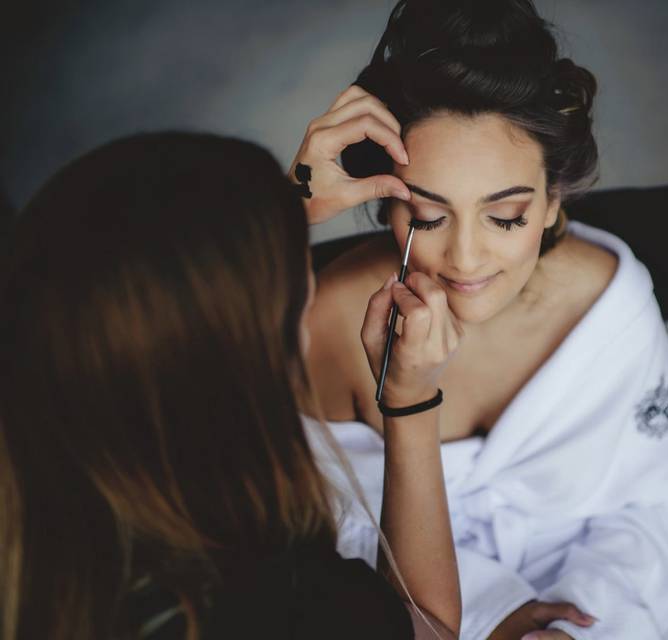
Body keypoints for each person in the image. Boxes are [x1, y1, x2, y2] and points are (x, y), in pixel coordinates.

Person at [296, 1, 668, 638]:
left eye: (506, 216)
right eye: (429, 216)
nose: (464, 259)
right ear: (386, 205)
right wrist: (495, 613)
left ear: (552, 202)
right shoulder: (326, 323)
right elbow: (316, 540)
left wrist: (577, 622)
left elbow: (657, 500)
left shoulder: (607, 303)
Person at [0, 126, 462, 638]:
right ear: (252, 365)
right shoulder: (285, 605)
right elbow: (431, 626)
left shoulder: (41, 518)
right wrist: (410, 400)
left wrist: (286, 204)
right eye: (300, 309)